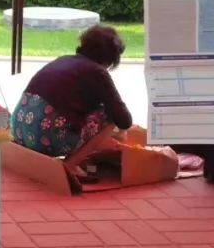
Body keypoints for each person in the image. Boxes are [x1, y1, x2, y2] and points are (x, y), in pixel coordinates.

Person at [10, 25, 132, 178]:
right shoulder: (98, 72)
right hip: (46, 137)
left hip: (19, 130)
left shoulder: (63, 60)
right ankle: (70, 165)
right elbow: (124, 120)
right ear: (112, 58)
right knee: (110, 116)